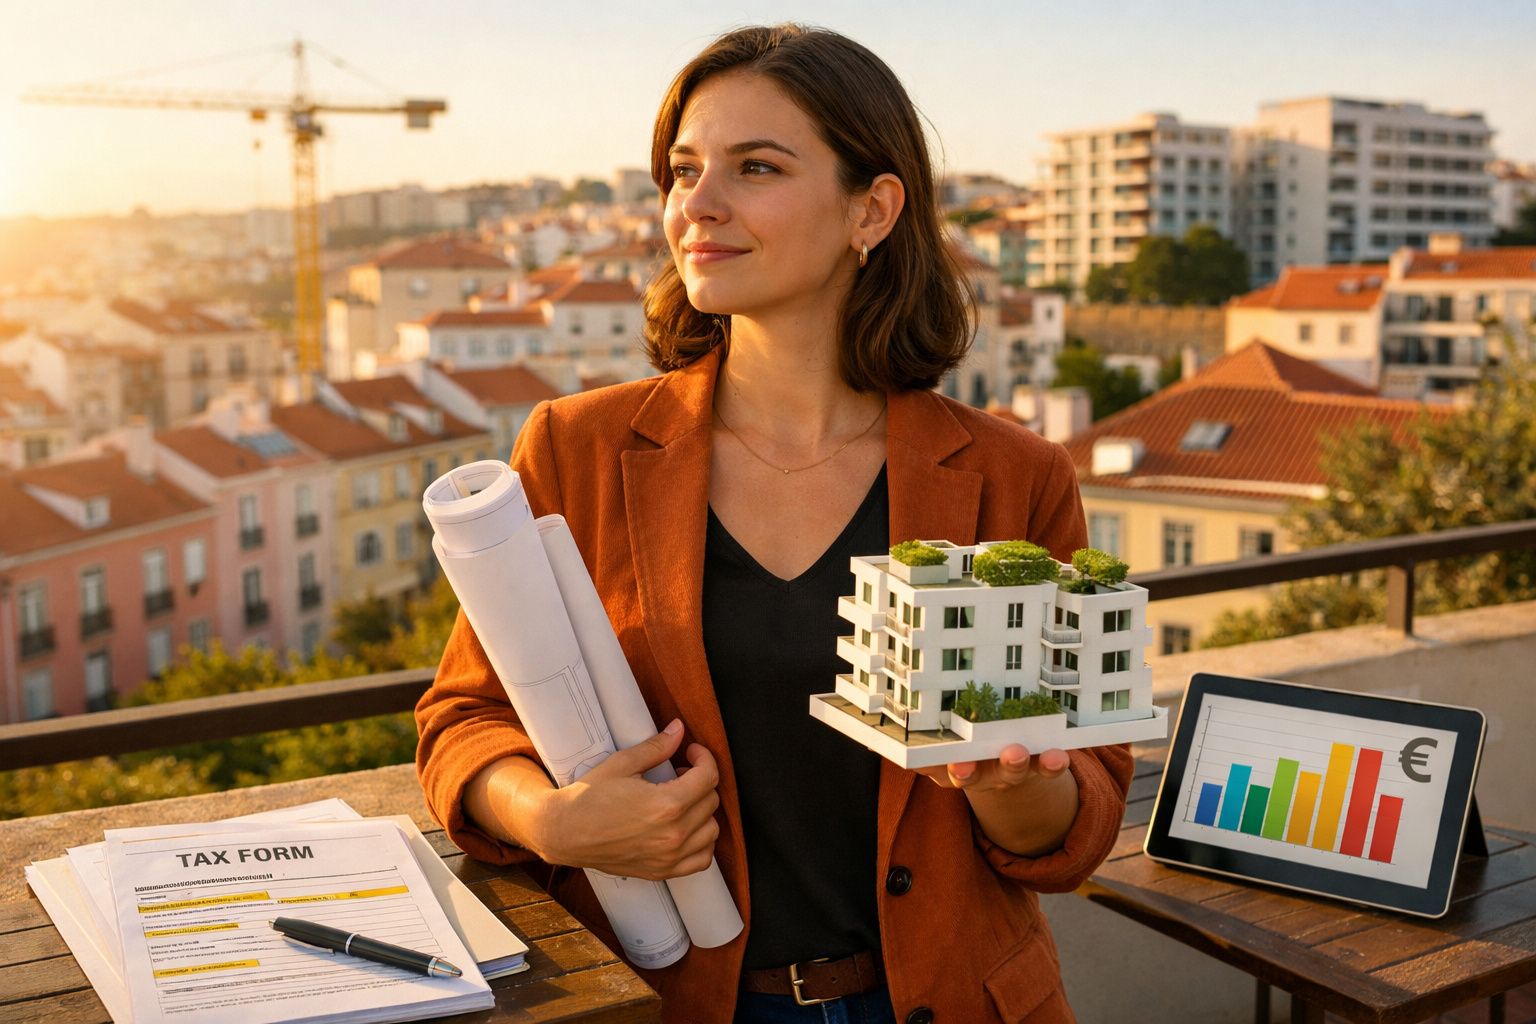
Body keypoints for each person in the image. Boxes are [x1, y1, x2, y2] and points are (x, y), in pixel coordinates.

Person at [415, 23, 1132, 1024]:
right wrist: (557, 820)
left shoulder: (1016, 476)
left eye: (755, 168)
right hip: (669, 1003)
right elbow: (462, 718)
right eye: (682, 171)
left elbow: (1081, 808)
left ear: (872, 209)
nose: (696, 205)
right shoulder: (574, 447)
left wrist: (1012, 791)